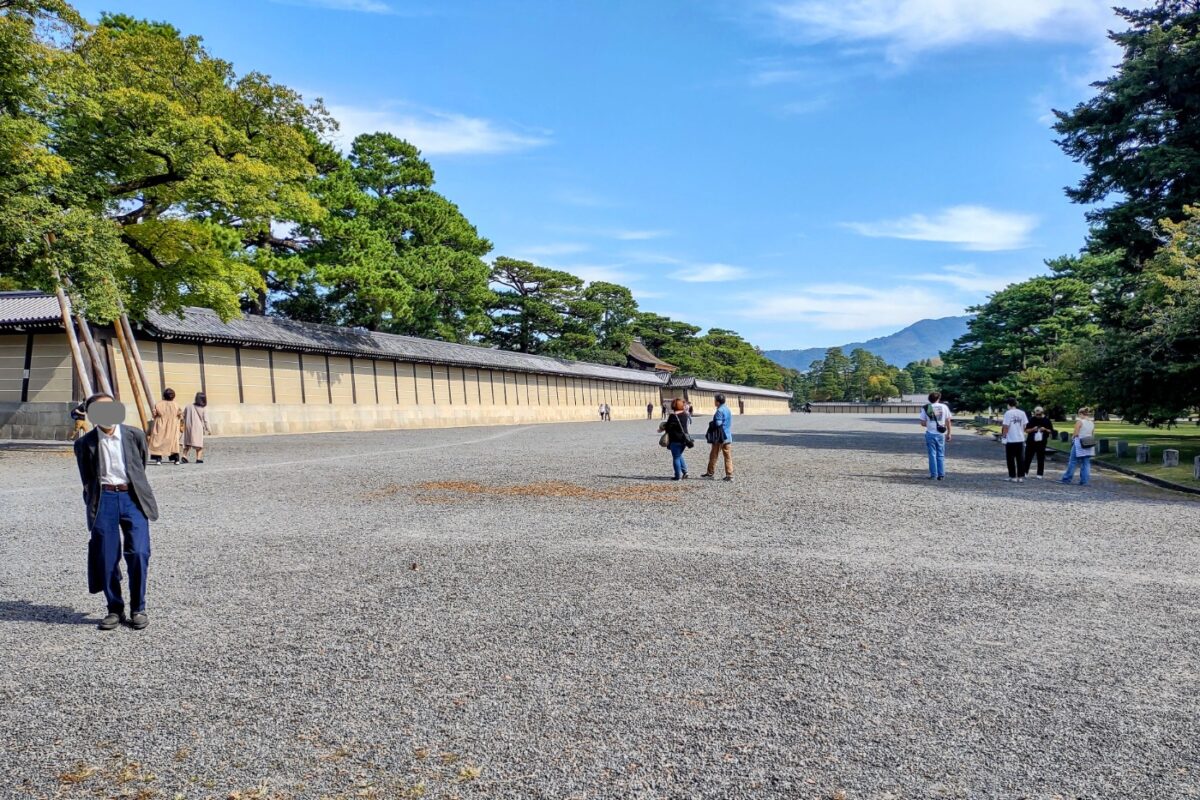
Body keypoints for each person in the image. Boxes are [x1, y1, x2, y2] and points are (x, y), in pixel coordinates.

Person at [73, 393, 159, 631]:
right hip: (104, 499)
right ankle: (114, 608)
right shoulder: (84, 443)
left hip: (133, 497)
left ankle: (138, 608)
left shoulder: (135, 435)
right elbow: (86, 477)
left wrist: (133, 489)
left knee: (139, 552)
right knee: (106, 555)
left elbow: (140, 465)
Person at [919, 391, 953, 480]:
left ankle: (933, 474)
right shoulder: (944, 407)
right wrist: (949, 433)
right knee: (940, 454)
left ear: (929, 399)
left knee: (932, 454)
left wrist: (931, 424)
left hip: (930, 433)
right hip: (941, 434)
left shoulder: (927, 407)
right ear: (938, 398)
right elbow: (948, 421)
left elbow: (922, 423)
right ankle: (941, 474)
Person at [701, 393, 734, 481]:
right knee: (727, 456)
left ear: (718, 402)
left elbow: (718, 423)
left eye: (715, 400)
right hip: (727, 436)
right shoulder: (727, 409)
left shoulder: (719, 411)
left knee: (714, 455)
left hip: (719, 437)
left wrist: (712, 423)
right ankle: (729, 474)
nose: (714, 402)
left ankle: (710, 472)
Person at [1061, 406, 1096, 486]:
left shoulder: (1079, 422)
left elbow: (1076, 434)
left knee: (1073, 461)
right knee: (1086, 463)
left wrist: (1072, 438)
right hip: (1088, 443)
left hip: (1079, 443)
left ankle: (1066, 479)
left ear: (1080, 414)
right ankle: (1084, 481)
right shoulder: (1092, 423)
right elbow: (1092, 434)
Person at [148, 387, 182, 464]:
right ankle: (176, 459)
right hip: (172, 426)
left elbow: (154, 414)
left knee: (158, 440)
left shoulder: (159, 404)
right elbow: (180, 415)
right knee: (173, 442)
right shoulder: (176, 405)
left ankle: (158, 459)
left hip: (160, 424)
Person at [660, 397, 691, 480]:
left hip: (675, 439)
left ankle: (678, 476)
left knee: (676, 457)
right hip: (684, 439)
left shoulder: (673, 416)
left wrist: (662, 428)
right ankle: (685, 472)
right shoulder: (685, 415)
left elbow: (668, 427)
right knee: (679, 455)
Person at [1001, 397, 1029, 483]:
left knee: (1010, 459)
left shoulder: (1008, 413)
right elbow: (1025, 425)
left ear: (1009, 404)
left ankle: (1012, 476)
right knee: (1020, 458)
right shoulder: (1022, 413)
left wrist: (1004, 436)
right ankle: (1020, 477)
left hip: (1011, 439)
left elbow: (1006, 426)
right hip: (1020, 438)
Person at [1023, 406, 1056, 479]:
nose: (1038, 416)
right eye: (1036, 414)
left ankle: (1039, 474)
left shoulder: (1047, 420)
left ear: (1042, 413)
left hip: (1042, 442)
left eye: (1039, 414)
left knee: (1040, 458)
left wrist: (1045, 429)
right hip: (1031, 441)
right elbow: (1026, 430)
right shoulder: (1031, 420)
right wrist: (1033, 429)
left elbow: (1051, 431)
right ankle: (1025, 472)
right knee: (1028, 457)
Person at [181, 391, 210, 464]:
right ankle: (198, 458)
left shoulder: (188, 406)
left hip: (188, 427)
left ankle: (184, 456)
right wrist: (208, 429)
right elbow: (206, 420)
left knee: (187, 443)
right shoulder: (203, 408)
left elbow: (182, 415)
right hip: (198, 428)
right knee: (199, 444)